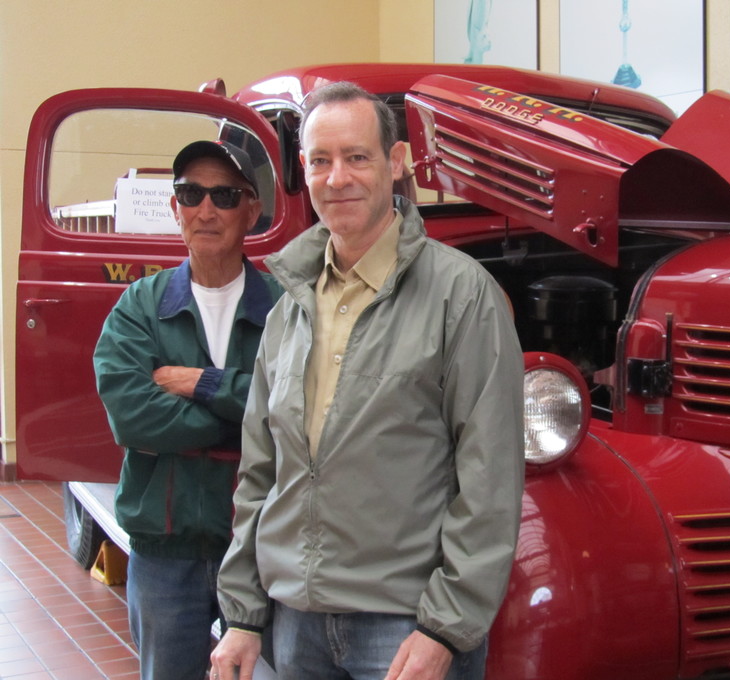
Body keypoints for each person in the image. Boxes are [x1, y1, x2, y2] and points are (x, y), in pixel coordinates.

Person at [211, 82, 525, 680]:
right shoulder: (289, 308)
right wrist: (245, 615)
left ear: (396, 162)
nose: (338, 179)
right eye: (321, 161)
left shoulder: (462, 297)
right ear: (303, 172)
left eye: (357, 157)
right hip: (295, 622)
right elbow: (260, 473)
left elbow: (490, 479)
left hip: (404, 628)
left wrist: (444, 627)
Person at [93, 139, 284, 680]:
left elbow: (296, 409)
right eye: (190, 193)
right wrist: (241, 417)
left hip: (261, 550)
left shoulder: (284, 308)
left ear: (251, 210)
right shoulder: (140, 306)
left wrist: (198, 382)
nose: (206, 209)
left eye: (224, 195)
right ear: (175, 207)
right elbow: (131, 415)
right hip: (164, 552)